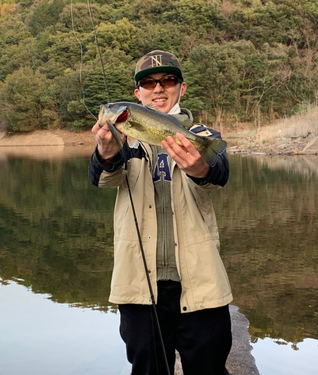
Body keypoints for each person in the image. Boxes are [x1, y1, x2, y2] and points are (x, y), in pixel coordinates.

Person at [88, 50, 233, 375]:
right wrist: (106, 153)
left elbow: (219, 172)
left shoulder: (203, 135)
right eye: (149, 83)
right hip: (140, 286)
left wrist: (201, 166)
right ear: (137, 93)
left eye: (168, 80)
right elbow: (100, 177)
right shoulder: (125, 140)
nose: (159, 88)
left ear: (181, 87)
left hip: (201, 282)